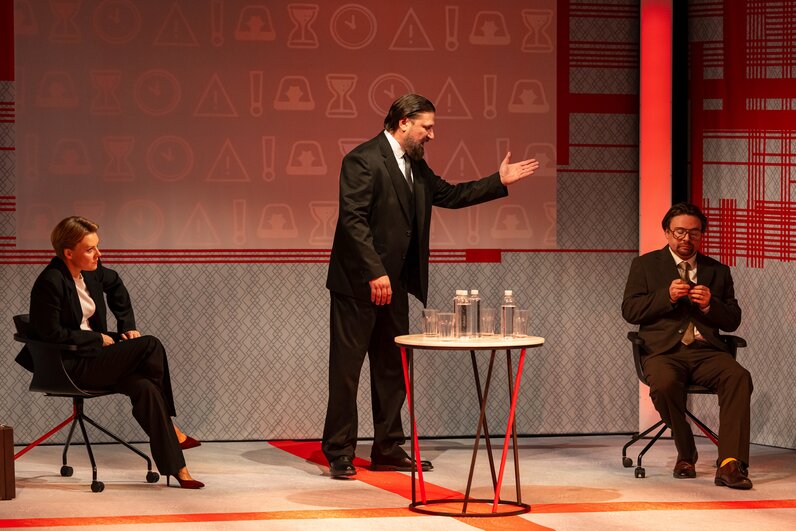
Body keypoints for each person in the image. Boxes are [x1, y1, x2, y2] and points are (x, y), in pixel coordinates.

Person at [322, 93, 540, 479]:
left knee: (393, 370)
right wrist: (375, 271)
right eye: (427, 126)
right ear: (403, 122)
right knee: (347, 370)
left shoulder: (417, 167)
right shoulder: (362, 159)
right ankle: (339, 451)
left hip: (396, 285)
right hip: (359, 284)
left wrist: (498, 182)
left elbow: (452, 195)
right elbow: (353, 220)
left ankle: (388, 448)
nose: (432, 135)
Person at [15, 216, 204, 489]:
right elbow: (49, 333)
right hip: (70, 365)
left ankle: (178, 469)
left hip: (97, 359)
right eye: (90, 249)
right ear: (69, 253)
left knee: (146, 388)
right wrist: (95, 338)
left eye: (97, 246)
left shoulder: (92, 271)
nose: (98, 254)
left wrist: (127, 326)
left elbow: (115, 285)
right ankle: (172, 428)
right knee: (150, 345)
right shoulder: (50, 281)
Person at [622, 203, 753, 489]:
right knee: (664, 383)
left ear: (701, 235)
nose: (686, 238)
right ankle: (685, 450)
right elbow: (630, 311)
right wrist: (666, 297)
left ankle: (730, 463)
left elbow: (733, 320)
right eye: (680, 231)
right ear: (667, 233)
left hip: (707, 352)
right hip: (663, 352)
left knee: (739, 377)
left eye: (694, 233)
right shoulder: (645, 265)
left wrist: (709, 305)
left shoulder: (717, 270)